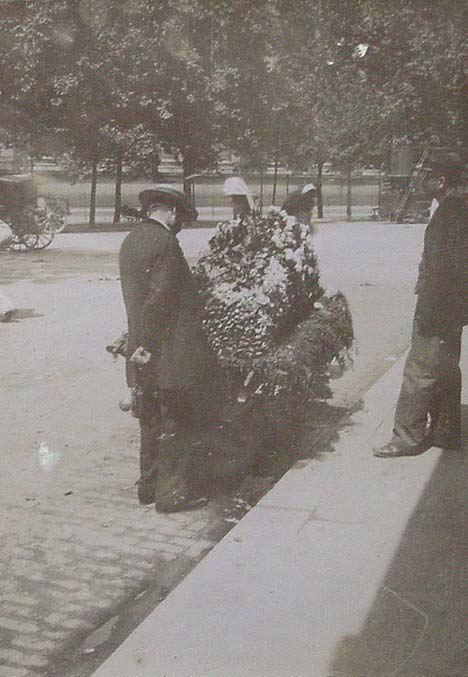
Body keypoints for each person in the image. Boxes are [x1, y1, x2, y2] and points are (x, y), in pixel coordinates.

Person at [119, 186, 221, 512]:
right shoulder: (166, 243)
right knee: (176, 420)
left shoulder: (131, 239)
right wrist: (149, 346)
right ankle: (171, 495)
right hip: (165, 352)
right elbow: (160, 299)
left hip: (141, 348)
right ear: (172, 213)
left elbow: (140, 299)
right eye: (181, 219)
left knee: (149, 418)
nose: (180, 226)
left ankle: (148, 487)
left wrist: (138, 347)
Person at [374, 150, 467, 458]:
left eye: (426, 174)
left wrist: (430, 307)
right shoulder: (458, 209)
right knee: (446, 367)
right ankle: (447, 431)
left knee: (420, 369)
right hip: (454, 307)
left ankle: (407, 437)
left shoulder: (447, 216)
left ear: (440, 181)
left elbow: (444, 267)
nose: (420, 179)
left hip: (438, 305)